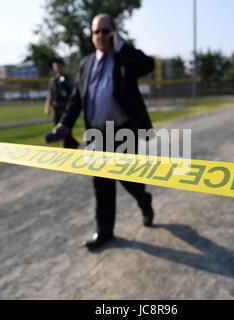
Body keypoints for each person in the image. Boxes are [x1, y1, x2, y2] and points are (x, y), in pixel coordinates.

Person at [52, 13, 155, 250]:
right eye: (96, 32)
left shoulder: (123, 59)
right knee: (101, 183)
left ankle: (144, 200)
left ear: (113, 33)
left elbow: (147, 65)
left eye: (105, 31)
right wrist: (63, 124)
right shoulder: (85, 63)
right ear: (91, 35)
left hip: (122, 132)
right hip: (97, 134)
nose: (100, 36)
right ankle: (104, 231)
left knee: (129, 178)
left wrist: (120, 46)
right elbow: (76, 100)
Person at [44, 58, 79, 148]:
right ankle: (72, 144)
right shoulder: (53, 81)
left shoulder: (68, 79)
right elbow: (50, 95)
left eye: (59, 66)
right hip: (56, 108)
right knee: (57, 128)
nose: (57, 68)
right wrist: (47, 107)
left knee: (65, 128)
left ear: (62, 67)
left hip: (66, 108)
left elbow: (74, 94)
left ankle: (71, 145)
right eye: (55, 66)